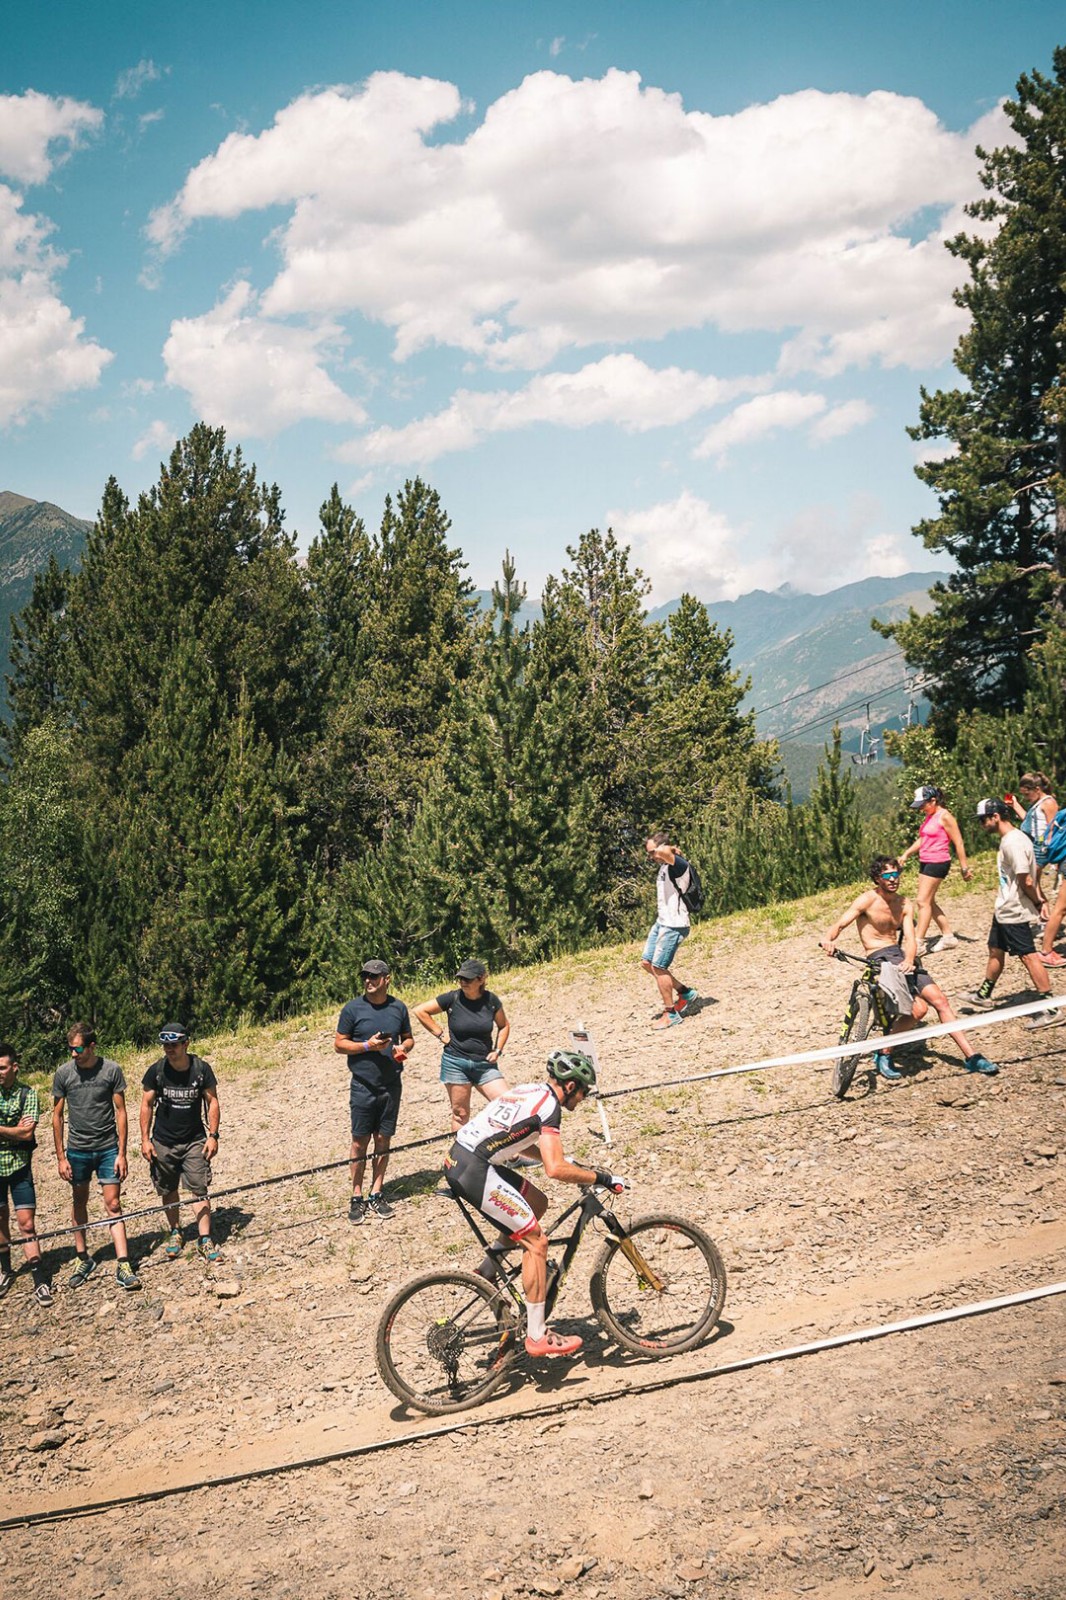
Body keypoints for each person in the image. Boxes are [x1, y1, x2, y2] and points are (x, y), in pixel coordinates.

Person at [443, 1050, 626, 1359]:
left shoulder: (531, 1090)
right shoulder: (550, 1108)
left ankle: (487, 1271)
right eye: (582, 1090)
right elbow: (554, 1170)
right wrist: (600, 1178)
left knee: (537, 1202)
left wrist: (568, 1163)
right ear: (570, 1086)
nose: (582, 1098)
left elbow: (521, 1142)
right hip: (474, 1169)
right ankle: (537, 1336)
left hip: (463, 1158)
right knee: (537, 1243)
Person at [821, 856, 998, 1079]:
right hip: (879, 957)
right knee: (919, 1010)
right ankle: (884, 1052)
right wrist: (828, 939)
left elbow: (911, 939)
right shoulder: (867, 900)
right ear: (878, 878)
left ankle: (972, 1057)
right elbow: (840, 923)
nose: (894, 879)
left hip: (901, 956)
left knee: (939, 1002)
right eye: (888, 875)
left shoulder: (904, 903)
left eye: (896, 874)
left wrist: (909, 959)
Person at [52, 1023, 141, 1291]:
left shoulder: (111, 1070)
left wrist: (122, 1153)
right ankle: (83, 1257)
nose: (73, 1054)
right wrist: (60, 1157)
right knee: (79, 1200)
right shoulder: (63, 1074)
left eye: (77, 1049)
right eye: (70, 1049)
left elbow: (121, 1111)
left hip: (107, 1149)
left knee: (113, 1204)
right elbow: (56, 1116)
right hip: (77, 1150)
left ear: (92, 1046)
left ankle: (123, 1263)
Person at [962, 800, 1060, 1029]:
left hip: (1013, 910)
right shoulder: (1012, 839)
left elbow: (1025, 878)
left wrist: (1037, 901)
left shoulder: (1013, 842)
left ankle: (1053, 1009)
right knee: (996, 949)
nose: (981, 824)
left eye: (983, 819)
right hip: (1004, 908)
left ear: (996, 816)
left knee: (1028, 956)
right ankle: (983, 995)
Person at [334, 959, 414, 1223]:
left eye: (374, 977)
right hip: (363, 1086)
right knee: (359, 1142)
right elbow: (339, 1044)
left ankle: (376, 1192)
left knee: (383, 1140)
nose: (368, 981)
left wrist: (404, 1048)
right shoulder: (352, 1009)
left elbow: (408, 1037)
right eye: (365, 977)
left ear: (387, 979)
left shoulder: (398, 1007)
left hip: (391, 1085)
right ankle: (356, 1196)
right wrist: (367, 1046)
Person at [139, 1024, 222, 1261]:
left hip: (194, 1139)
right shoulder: (155, 1071)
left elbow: (212, 1101)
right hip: (163, 1141)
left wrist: (213, 1136)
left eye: (173, 1045)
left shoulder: (201, 1069)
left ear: (186, 1043)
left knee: (199, 1186)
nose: (169, 1049)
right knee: (168, 1188)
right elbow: (146, 1105)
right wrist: (145, 1140)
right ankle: (176, 1231)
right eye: (165, 1045)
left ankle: (204, 1238)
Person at [413, 959, 511, 1134]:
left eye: (468, 979)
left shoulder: (491, 1001)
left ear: (481, 979)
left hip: (484, 1065)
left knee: (508, 1105)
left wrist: (498, 1050)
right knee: (460, 1114)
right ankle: (460, 1159)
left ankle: (512, 1157)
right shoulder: (452, 998)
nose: (463, 982)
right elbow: (420, 1010)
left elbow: (503, 1026)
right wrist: (440, 1034)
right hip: (455, 1064)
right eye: (460, 978)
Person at [0, 1042, 53, 1306]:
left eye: (2, 1068)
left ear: (14, 1068)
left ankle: (40, 1278)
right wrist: (12, 1129)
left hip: (20, 1166)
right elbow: (18, 1130)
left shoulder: (28, 1094)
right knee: (0, 1221)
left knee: (27, 1224)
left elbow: (27, 1133)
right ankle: (5, 1269)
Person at [898, 786, 972, 954]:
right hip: (926, 861)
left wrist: (964, 867)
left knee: (922, 902)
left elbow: (958, 842)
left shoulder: (945, 816)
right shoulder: (929, 816)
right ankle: (948, 937)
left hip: (938, 862)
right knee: (928, 901)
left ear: (933, 801)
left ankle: (918, 943)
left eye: (923, 805)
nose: (921, 809)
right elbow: (923, 839)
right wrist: (906, 853)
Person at [642, 832, 699, 1029]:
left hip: (675, 924)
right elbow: (663, 853)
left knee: (659, 967)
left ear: (663, 848)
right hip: (662, 922)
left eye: (652, 853)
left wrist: (670, 849)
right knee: (647, 962)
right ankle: (685, 992)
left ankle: (671, 1014)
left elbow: (666, 852)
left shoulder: (679, 865)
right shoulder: (665, 866)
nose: (651, 857)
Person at [1007, 772, 1058, 893]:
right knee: (1033, 883)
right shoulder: (1037, 804)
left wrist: (1052, 851)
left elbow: (1052, 828)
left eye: (1027, 794)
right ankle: (1041, 908)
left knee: (1029, 881)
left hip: (1042, 846)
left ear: (1037, 789)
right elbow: (1027, 820)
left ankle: (1040, 906)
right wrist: (1015, 805)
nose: (1026, 798)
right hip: (1033, 844)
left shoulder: (1048, 803)